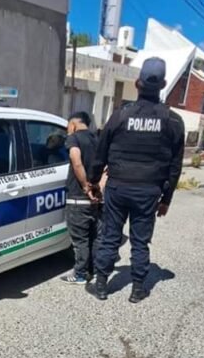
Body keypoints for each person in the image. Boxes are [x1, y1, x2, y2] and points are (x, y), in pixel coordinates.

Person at [86, 57, 185, 303]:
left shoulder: (120, 115)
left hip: (118, 187)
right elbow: (175, 166)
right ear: (163, 85)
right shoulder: (173, 121)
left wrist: (92, 183)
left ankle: (101, 285)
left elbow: (100, 153)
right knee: (140, 241)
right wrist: (167, 200)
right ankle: (137, 289)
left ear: (138, 83)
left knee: (110, 236)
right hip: (148, 192)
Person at [61, 111, 102, 284]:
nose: (67, 131)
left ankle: (79, 275)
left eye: (67, 127)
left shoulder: (74, 138)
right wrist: (97, 188)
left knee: (80, 240)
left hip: (78, 198)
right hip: (96, 199)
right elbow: (106, 167)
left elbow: (76, 161)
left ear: (73, 124)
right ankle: (92, 270)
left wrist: (85, 186)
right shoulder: (97, 140)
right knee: (94, 237)